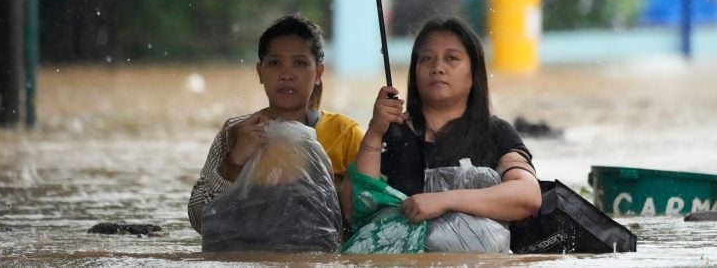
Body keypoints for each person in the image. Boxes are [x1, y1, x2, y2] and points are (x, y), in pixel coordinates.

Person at [341, 16, 541, 228]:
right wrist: (374, 131)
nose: (437, 67)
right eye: (426, 59)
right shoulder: (392, 134)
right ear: (415, 73)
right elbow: (353, 210)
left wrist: (443, 201)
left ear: (474, 73)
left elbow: (528, 196)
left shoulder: (494, 132)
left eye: (452, 58)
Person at [188, 13, 364, 235]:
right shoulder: (237, 132)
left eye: (299, 63)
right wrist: (234, 162)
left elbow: (370, 218)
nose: (286, 74)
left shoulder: (346, 134)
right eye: (275, 63)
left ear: (318, 73)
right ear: (260, 72)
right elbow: (199, 220)